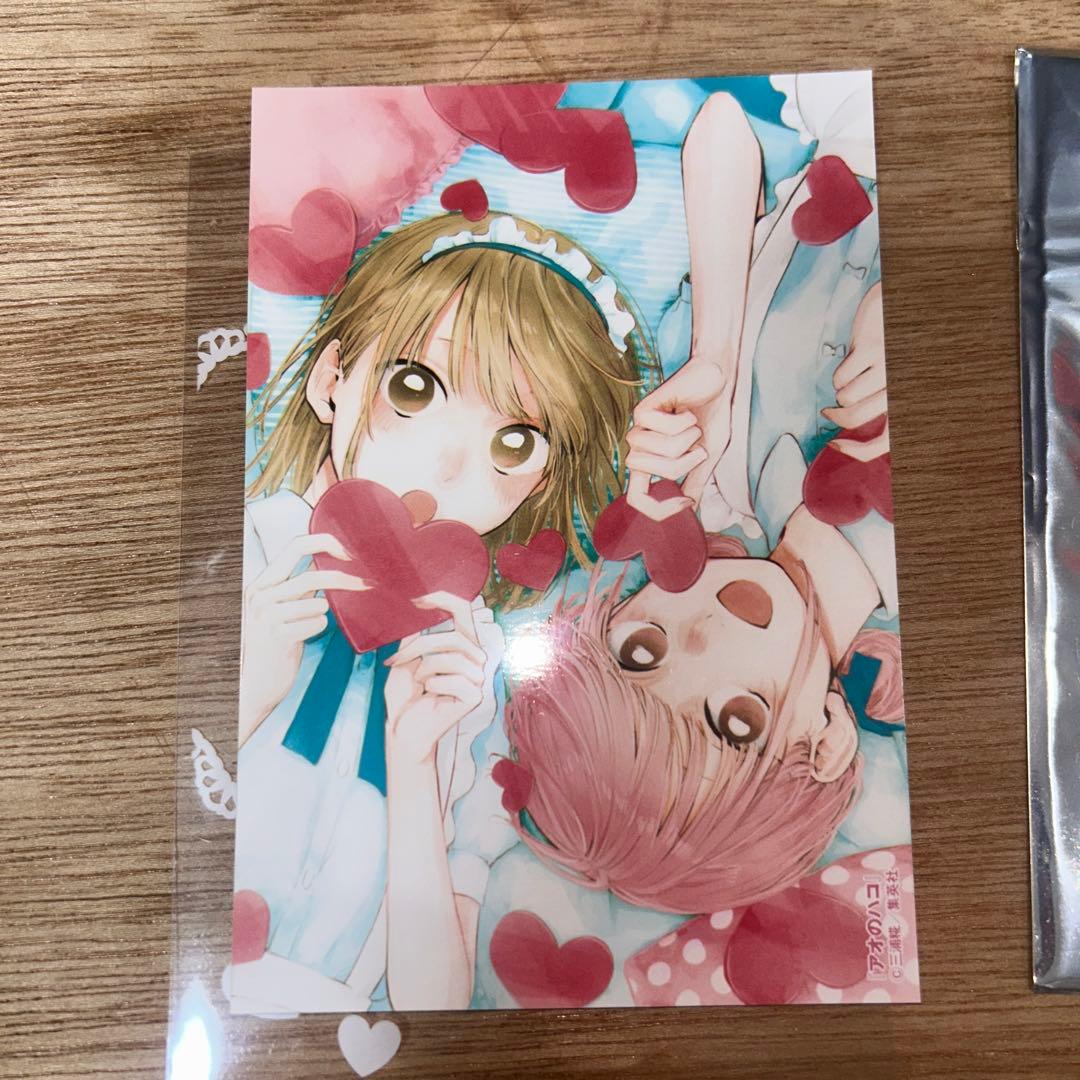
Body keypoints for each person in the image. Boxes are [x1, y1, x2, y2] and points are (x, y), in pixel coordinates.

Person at [231, 209, 649, 1012]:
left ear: (542, 479)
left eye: (515, 442)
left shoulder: (470, 674)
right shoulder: (248, 552)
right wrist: (251, 683)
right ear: (330, 380)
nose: (449, 464)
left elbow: (433, 1004)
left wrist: (416, 757)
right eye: (414, 388)